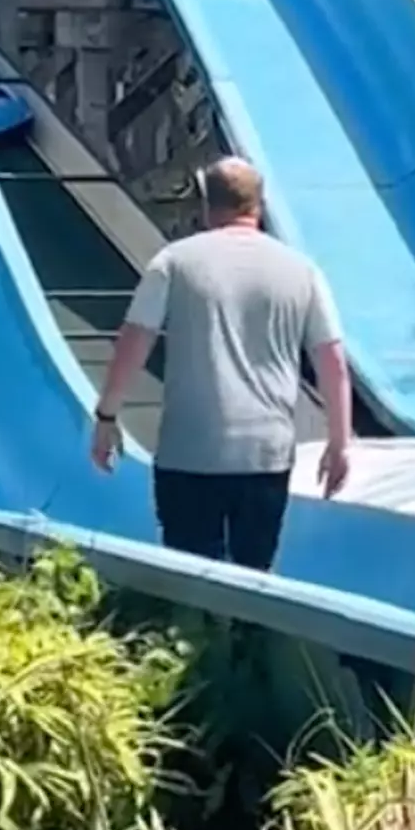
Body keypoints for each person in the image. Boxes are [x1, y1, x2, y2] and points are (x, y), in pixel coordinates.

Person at [90, 157, 351, 570]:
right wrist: (339, 443)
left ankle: (193, 632)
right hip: (266, 454)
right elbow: (332, 361)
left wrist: (107, 415)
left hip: (189, 449)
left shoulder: (172, 262)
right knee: (255, 576)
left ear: (207, 205)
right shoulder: (303, 271)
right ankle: (251, 634)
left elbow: (134, 341)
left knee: (190, 576)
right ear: (259, 206)